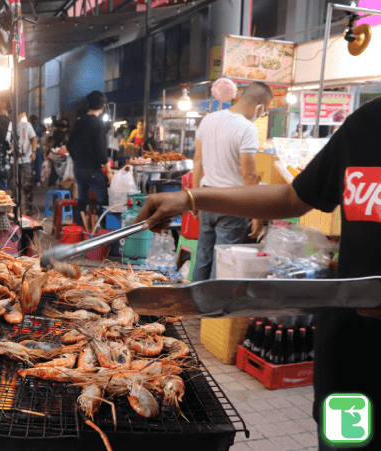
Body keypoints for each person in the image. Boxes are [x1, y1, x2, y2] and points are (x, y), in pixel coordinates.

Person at [133, 96, 381, 451]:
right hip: (350, 355)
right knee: (344, 445)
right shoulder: (366, 124)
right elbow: (292, 197)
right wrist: (191, 198)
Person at [191, 81, 273, 281]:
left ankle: (191, 308)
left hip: (206, 196)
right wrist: (257, 214)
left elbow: (197, 161)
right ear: (259, 107)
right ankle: (213, 311)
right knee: (223, 262)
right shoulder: (247, 129)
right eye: (264, 111)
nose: (262, 115)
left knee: (203, 256)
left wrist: (194, 197)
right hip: (231, 203)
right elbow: (249, 175)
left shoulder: (208, 120)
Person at [67, 91, 113, 230]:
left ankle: (79, 231)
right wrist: (109, 170)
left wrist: (77, 160)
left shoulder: (79, 121)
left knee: (82, 200)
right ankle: (102, 232)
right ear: (103, 106)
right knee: (103, 202)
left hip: (79, 169)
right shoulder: (98, 124)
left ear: (88, 104)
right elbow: (101, 149)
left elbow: (69, 145)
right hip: (93, 170)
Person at [8, 113, 37, 214]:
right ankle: (15, 208)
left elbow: (34, 139)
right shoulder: (9, 125)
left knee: (27, 185)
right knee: (13, 186)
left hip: (25, 160)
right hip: (12, 160)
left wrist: (33, 151)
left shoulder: (26, 125)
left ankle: (28, 208)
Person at [30, 115, 44, 186]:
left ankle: (31, 179)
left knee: (31, 165)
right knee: (38, 165)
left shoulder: (29, 127)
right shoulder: (39, 128)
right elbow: (41, 140)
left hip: (30, 149)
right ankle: (38, 181)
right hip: (38, 149)